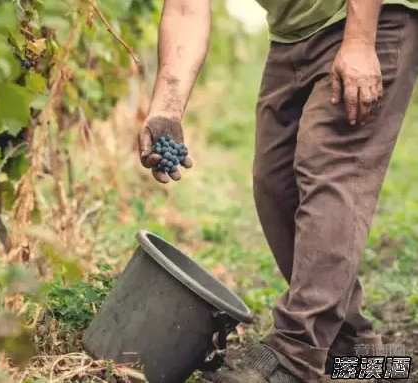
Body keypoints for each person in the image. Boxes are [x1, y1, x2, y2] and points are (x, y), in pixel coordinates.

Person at [137, 0, 418, 382]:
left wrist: (359, 39)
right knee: (275, 185)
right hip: (291, 37)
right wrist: (167, 109)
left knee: (331, 171)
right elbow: (187, 8)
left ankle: (294, 355)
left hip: (367, 20)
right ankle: (356, 354)